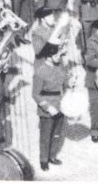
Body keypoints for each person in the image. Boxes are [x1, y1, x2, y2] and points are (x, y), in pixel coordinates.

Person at [33, 42, 71, 171]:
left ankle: (52, 156)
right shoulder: (40, 71)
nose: (58, 56)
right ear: (49, 56)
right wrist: (48, 107)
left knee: (57, 133)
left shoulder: (59, 67)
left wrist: (70, 82)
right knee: (45, 135)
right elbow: (35, 94)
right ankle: (43, 160)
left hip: (60, 104)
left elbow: (65, 82)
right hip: (48, 106)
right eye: (56, 54)